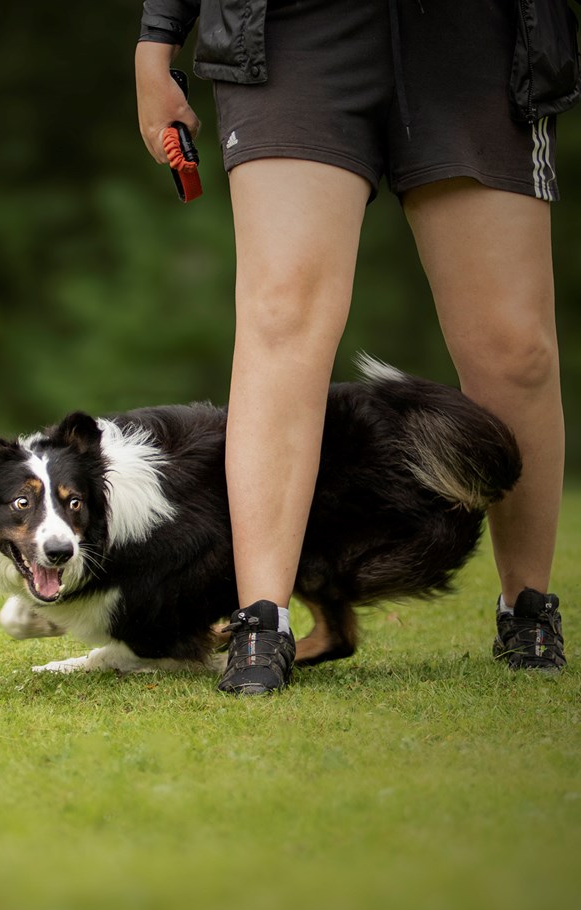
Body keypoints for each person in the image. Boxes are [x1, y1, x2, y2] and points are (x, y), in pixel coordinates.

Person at [135, 0, 577, 694]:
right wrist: (156, 38)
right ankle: (263, 620)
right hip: (290, 32)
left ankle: (528, 609)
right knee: (282, 314)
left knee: (515, 348)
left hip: (481, 37)